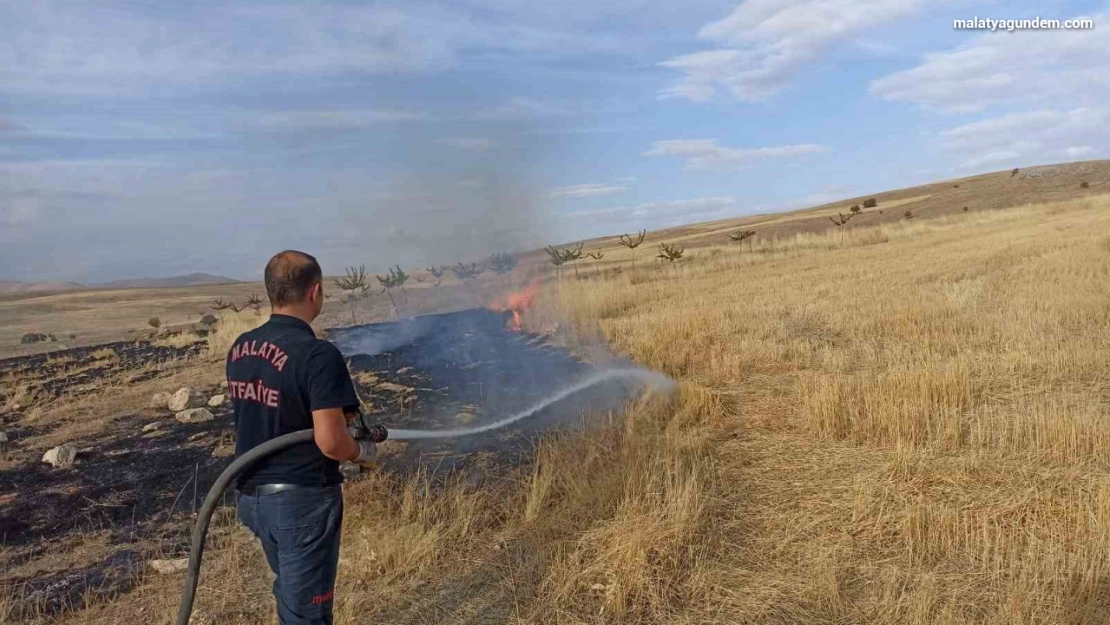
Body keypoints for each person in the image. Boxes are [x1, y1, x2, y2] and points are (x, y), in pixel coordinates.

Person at [227, 250, 375, 625]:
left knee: (291, 596)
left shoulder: (241, 347)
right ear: (316, 292)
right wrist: (364, 452)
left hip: (253, 498)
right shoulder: (318, 354)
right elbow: (331, 441)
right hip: (301, 503)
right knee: (307, 614)